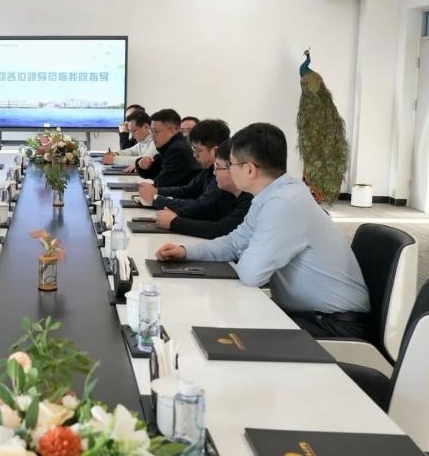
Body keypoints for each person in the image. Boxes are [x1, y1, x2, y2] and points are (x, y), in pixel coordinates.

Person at [154, 123, 370, 339]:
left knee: (219, 329)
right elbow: (234, 243)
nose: (229, 170)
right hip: (310, 314)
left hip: (331, 324)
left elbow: (251, 273)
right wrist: (186, 252)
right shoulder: (271, 195)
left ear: (249, 169)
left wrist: (247, 252)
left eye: (232, 164)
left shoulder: (284, 203)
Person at [156, 140, 253, 239]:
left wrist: (174, 222)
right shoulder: (226, 192)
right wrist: (176, 214)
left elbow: (221, 230)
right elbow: (204, 208)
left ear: (232, 168)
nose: (214, 172)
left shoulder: (250, 200)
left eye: (218, 167)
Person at [138, 119, 230, 216]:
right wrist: (157, 191)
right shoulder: (209, 169)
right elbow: (189, 190)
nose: (195, 155)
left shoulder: (224, 175)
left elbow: (202, 206)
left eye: (198, 150)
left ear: (215, 151)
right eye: (194, 149)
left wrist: (156, 200)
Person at [135, 109, 201, 188]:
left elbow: (161, 184)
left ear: (172, 130)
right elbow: (155, 171)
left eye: (156, 131)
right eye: (152, 131)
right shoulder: (172, 146)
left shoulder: (178, 149)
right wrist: (141, 164)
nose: (152, 136)